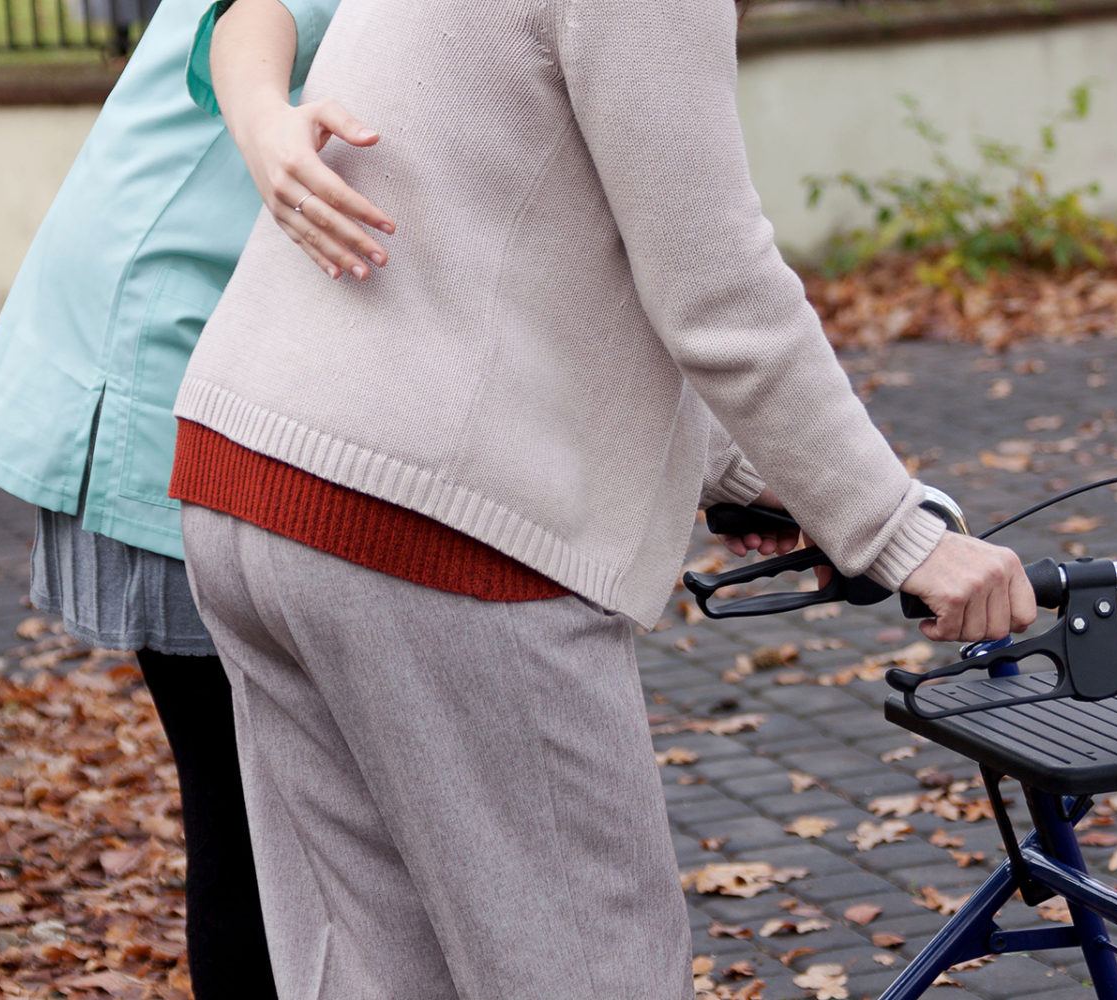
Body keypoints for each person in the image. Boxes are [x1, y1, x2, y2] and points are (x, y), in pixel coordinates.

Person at [175, 0, 1039, 996]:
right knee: (591, 968)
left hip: (252, 473)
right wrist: (898, 536)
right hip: (423, 529)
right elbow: (716, 288)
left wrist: (776, 481)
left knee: (378, 968)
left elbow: (544, 252)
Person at [0, 0, 383, 994]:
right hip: (161, 367)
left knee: (275, 817)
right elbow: (250, 16)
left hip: (218, 358)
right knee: (254, 818)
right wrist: (271, 128)